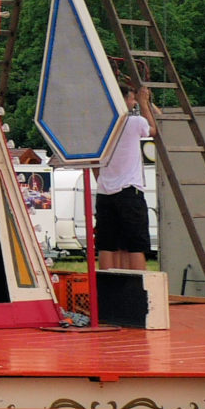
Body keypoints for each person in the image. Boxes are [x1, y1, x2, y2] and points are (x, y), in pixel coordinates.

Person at [92, 88, 154, 274]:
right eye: (132, 100)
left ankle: (108, 289)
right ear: (124, 100)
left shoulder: (98, 125)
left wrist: (102, 180)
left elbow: (95, 162)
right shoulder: (135, 122)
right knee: (135, 244)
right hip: (129, 190)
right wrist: (144, 104)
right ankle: (138, 289)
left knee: (108, 244)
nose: (134, 103)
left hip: (104, 191)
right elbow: (153, 130)